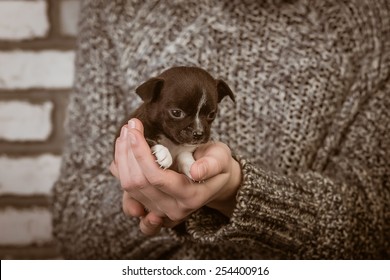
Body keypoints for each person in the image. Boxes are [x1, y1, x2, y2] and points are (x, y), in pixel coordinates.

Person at [52, 0, 390, 259]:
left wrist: (238, 193)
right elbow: (73, 222)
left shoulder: (370, 21)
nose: (199, 130)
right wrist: (144, 198)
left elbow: (376, 229)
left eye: (210, 117)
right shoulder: (117, 8)